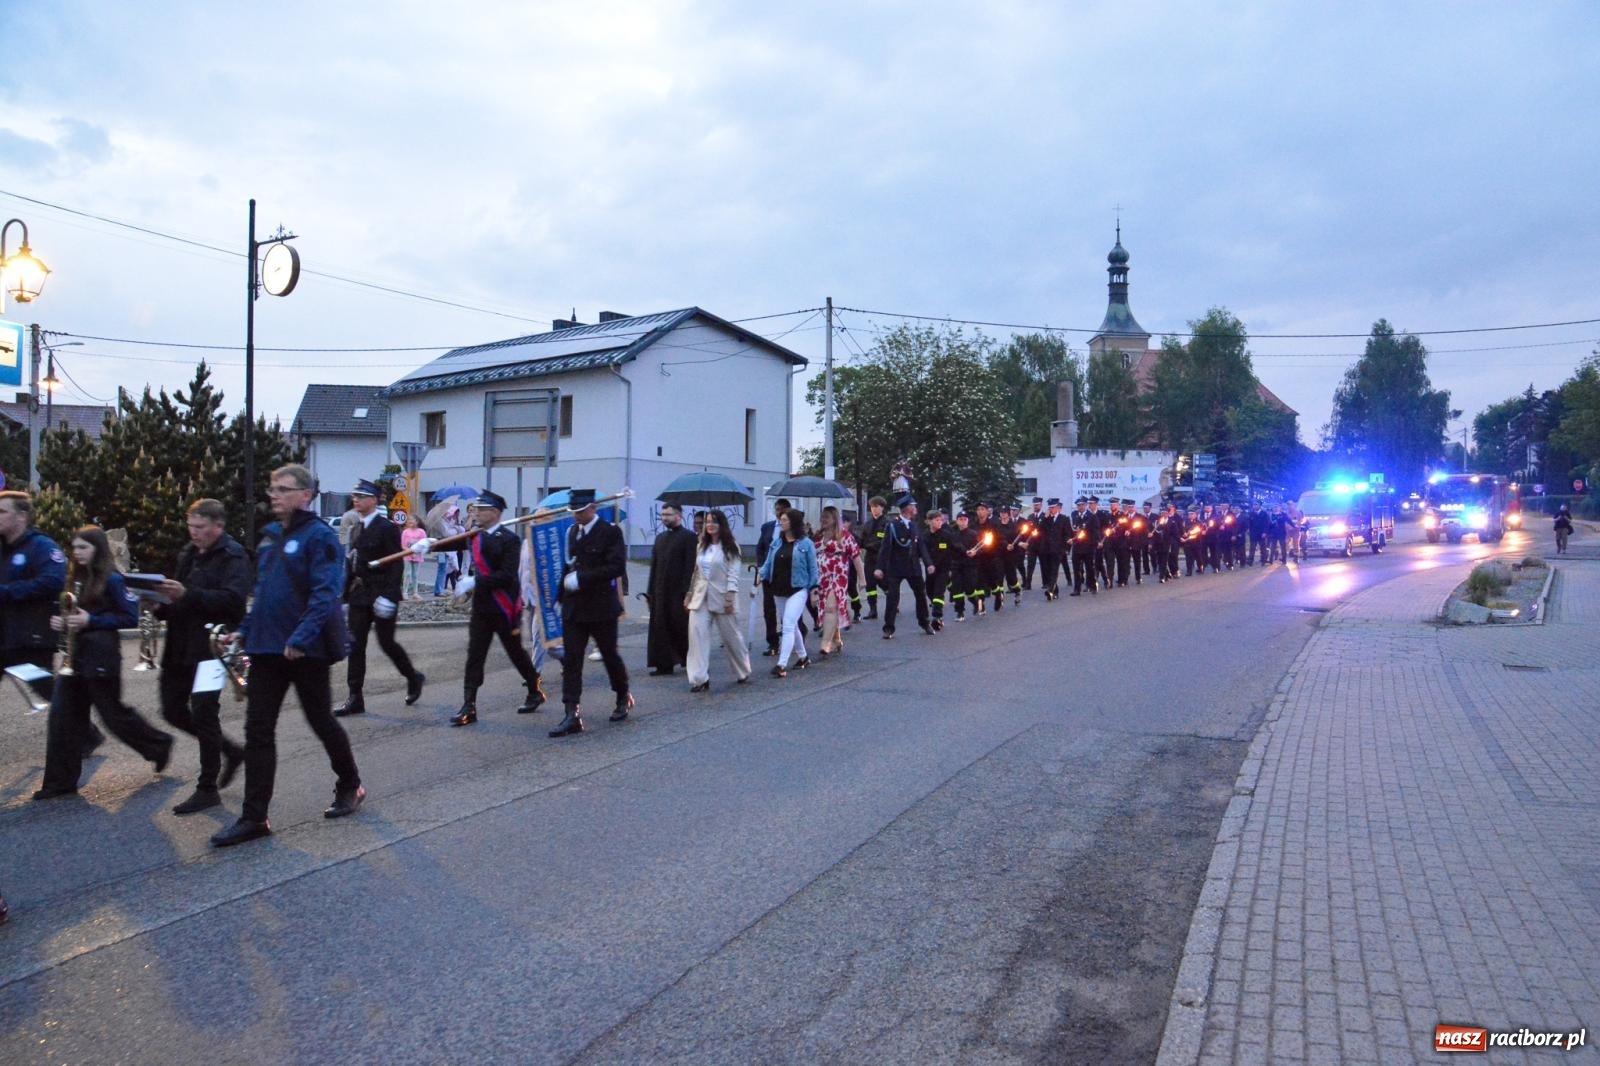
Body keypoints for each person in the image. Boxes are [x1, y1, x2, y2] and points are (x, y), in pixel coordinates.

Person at [210, 463, 363, 847]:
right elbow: (264, 596)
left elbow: (326, 593)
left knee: (320, 720)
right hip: (266, 648)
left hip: (304, 651)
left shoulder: (319, 537)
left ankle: (350, 783)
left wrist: (301, 637)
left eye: (283, 489)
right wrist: (243, 631)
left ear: (305, 495)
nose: (274, 495)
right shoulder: (272, 537)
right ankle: (254, 817)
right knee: (258, 730)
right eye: (272, 488)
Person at [33, 526, 175, 799]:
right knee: (62, 719)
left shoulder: (113, 579)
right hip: (76, 656)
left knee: (114, 716)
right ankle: (59, 783)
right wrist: (62, 621)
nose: (77, 553)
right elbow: (72, 614)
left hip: (101, 656)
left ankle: (159, 745)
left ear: (97, 549)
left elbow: (129, 616)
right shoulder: (75, 578)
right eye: (75, 547)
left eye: (83, 547)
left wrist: (92, 620)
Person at [152, 498, 250, 815]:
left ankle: (207, 788)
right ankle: (230, 750)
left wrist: (186, 594)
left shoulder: (233, 555)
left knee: (205, 712)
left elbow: (233, 601)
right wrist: (159, 605)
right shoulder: (189, 552)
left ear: (218, 526)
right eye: (190, 526)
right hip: (180, 646)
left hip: (212, 647)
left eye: (200, 527)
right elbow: (180, 600)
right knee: (171, 710)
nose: (193, 532)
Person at [0, 490, 102, 752]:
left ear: (22, 516)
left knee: (47, 689)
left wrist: (7, 591)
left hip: (30, 635)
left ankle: (88, 734)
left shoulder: (41, 546)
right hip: (4, 634)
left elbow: (53, 581)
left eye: (2, 512)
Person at [447, 490, 544, 726]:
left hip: (504, 608)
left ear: (495, 513)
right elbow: (449, 543)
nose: (476, 513)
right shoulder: (475, 536)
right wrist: (428, 544)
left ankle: (534, 690)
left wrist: (475, 581)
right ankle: (469, 705)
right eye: (476, 510)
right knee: (475, 655)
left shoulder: (509, 540)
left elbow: (506, 575)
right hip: (482, 608)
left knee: (515, 652)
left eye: (481, 510)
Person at [336, 480, 424, 717]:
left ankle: (413, 677)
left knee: (387, 643)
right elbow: (352, 563)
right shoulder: (357, 527)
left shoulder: (386, 528)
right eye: (355, 496)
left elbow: (396, 564)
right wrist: (344, 598)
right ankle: (355, 696)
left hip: (381, 593)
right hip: (360, 595)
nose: (356, 500)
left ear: (374, 500)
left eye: (361, 496)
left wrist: (388, 596)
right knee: (355, 645)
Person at [550, 489, 631, 736]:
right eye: (573, 511)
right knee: (572, 660)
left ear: (593, 508)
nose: (576, 515)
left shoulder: (610, 532)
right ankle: (571, 712)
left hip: (601, 607)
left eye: (580, 511)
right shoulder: (572, 532)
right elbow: (568, 567)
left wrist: (583, 579)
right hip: (574, 607)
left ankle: (622, 694)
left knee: (609, 655)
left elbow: (616, 567)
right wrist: (559, 597)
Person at [684, 509, 750, 690]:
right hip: (701, 597)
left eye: (714, 521)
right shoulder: (701, 545)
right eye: (707, 522)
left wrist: (730, 596)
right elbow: (697, 573)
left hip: (722, 596)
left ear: (722, 525)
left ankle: (742, 670)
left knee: (731, 637)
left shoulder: (731, 546)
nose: (710, 525)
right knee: (697, 636)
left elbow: (734, 573)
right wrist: (689, 594)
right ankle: (699, 678)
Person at [758, 508, 816, 676]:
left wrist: (814, 589)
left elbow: (813, 568)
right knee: (792, 624)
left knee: (788, 624)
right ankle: (803, 657)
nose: (781, 523)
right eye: (781, 519)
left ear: (793, 522)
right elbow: (768, 564)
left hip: (798, 588)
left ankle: (781, 664)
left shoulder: (806, 544)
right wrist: (760, 575)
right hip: (779, 588)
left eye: (784, 520)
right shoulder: (777, 543)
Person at [646, 503, 697, 676]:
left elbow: (690, 566)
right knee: (660, 628)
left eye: (668, 514)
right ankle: (663, 665)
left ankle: (689, 660)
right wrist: (650, 591)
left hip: (678, 592)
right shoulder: (660, 538)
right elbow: (654, 566)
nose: (664, 518)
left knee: (680, 627)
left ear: (678, 516)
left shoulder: (688, 537)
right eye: (663, 515)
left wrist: (687, 592)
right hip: (660, 591)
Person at [876, 494, 933, 639]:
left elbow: (921, 547)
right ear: (907, 508)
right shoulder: (893, 526)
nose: (915, 508)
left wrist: (929, 564)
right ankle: (888, 628)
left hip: (913, 567)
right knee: (892, 598)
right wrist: (879, 567)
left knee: (921, 595)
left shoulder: (914, 525)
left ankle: (925, 622)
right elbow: (885, 548)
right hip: (896, 567)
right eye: (913, 506)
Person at [813, 505, 864, 656]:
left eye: (827, 517)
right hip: (821, 578)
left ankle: (826, 643)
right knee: (827, 609)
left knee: (830, 607)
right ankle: (836, 639)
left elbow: (856, 558)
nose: (823, 520)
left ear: (835, 519)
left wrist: (862, 579)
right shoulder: (818, 537)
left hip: (838, 577)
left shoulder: (845, 536)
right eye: (822, 517)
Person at [756, 498, 790, 655]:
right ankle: (772, 643)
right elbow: (760, 548)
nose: (779, 512)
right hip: (769, 575)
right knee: (769, 609)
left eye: (783, 509)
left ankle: (791, 638)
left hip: (786, 576)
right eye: (777, 509)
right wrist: (761, 567)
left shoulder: (792, 529)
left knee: (787, 610)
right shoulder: (767, 527)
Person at [856, 496, 889, 620]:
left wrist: (868, 545)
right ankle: (872, 609)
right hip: (870, 557)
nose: (874, 509)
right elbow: (862, 540)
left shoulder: (887, 523)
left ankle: (892, 601)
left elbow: (883, 542)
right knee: (870, 584)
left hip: (882, 558)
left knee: (884, 582)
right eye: (872, 507)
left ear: (882, 508)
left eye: (876, 506)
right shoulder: (868, 524)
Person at [971, 502, 1003, 614]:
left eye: (982, 509)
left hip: (990, 557)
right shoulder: (973, 525)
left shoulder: (993, 525)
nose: (980, 512)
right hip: (977, 557)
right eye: (978, 509)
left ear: (987, 511)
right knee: (978, 581)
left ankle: (998, 595)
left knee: (992, 581)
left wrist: (991, 549)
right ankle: (981, 604)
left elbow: (997, 540)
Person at [1035, 498, 1069, 600]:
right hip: (1047, 549)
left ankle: (1050, 590)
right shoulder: (1046, 519)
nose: (1051, 510)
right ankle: (1055, 591)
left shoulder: (1064, 519)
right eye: (1049, 508)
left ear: (1058, 508)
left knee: (1054, 569)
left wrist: (1066, 547)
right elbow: (1039, 530)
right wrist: (1045, 518)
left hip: (1058, 550)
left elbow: (1067, 534)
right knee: (1049, 571)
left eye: (1053, 508)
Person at [947, 510, 977, 619]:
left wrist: (975, 552)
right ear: (957, 521)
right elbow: (954, 546)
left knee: (970, 589)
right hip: (956, 565)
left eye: (965, 519)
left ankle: (975, 602)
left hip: (969, 565)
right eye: (960, 519)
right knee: (957, 589)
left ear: (968, 521)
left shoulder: (973, 534)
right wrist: (965, 551)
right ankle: (960, 611)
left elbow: (980, 548)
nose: (963, 521)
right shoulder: (953, 534)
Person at [433, 505, 463, 596]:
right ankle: (439, 590)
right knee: (442, 569)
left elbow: (458, 530)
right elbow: (446, 533)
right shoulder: (439, 522)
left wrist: (454, 527)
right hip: (441, 549)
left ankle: (440, 589)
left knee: (443, 569)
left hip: (446, 548)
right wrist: (456, 530)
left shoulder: (446, 521)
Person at [1069, 497, 1097, 595]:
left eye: (1082, 505)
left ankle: (1093, 586)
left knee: (1090, 568)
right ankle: (1077, 589)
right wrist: (1071, 539)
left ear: (1085, 505)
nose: (1080, 507)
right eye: (1078, 505)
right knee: (1076, 569)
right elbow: (1073, 529)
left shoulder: (1091, 516)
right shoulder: (1074, 515)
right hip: (1077, 546)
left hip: (1088, 547)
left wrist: (1093, 544)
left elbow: (1095, 531)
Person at [1020, 497, 1045, 590]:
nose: (1035, 506)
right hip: (1032, 545)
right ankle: (1028, 584)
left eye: (1037, 505)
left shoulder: (1044, 516)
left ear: (1041, 505)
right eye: (1034, 505)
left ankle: (1045, 583)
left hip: (1042, 544)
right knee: (1030, 565)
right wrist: (1026, 543)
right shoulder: (1030, 517)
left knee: (1044, 565)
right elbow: (1027, 531)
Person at [400, 513, 426, 598]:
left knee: (415, 574)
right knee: (407, 573)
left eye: (412, 519)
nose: (410, 521)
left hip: (417, 555)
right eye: (409, 520)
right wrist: (409, 552)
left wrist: (416, 552)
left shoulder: (421, 532)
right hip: (407, 555)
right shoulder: (405, 532)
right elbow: (403, 545)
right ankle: (405, 592)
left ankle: (415, 592)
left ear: (417, 521)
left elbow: (424, 544)